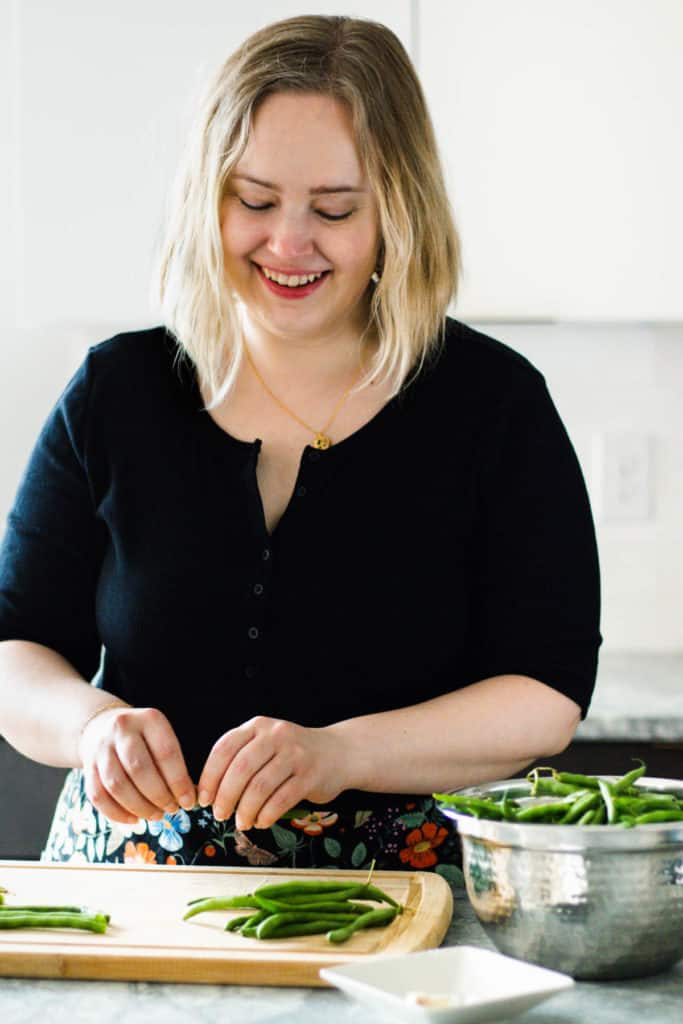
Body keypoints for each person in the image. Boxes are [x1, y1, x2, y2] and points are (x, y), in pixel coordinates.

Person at [0, 15, 601, 873]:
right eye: (253, 200)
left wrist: (339, 753)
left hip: (393, 898)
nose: (287, 242)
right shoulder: (116, 390)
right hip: (125, 895)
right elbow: (15, 646)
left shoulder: (492, 405)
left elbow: (544, 694)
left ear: (398, 209)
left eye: (333, 209)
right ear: (208, 197)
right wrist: (88, 725)